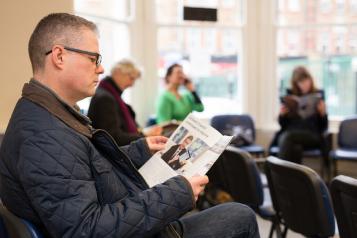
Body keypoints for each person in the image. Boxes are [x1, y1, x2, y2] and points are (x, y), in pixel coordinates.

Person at [0, 13, 260, 238]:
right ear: (59, 56)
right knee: (240, 215)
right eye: (94, 58)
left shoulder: (44, 114)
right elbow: (86, 230)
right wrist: (178, 192)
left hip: (129, 219)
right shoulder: (47, 136)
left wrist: (140, 149)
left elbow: (83, 169)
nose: (101, 69)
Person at [87, 59, 162, 146]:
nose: (132, 84)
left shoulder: (111, 95)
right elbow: (113, 138)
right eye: (131, 78)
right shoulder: (105, 99)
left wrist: (145, 133)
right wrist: (144, 136)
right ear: (118, 72)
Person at [269, 66, 328, 164]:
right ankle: (292, 178)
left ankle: (278, 173)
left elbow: (324, 127)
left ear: (310, 80)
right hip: (292, 134)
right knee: (295, 147)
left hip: (312, 134)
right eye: (300, 82)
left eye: (306, 81)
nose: (304, 85)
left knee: (287, 137)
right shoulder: (290, 95)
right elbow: (283, 125)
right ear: (296, 84)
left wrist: (323, 114)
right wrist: (282, 115)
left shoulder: (318, 95)